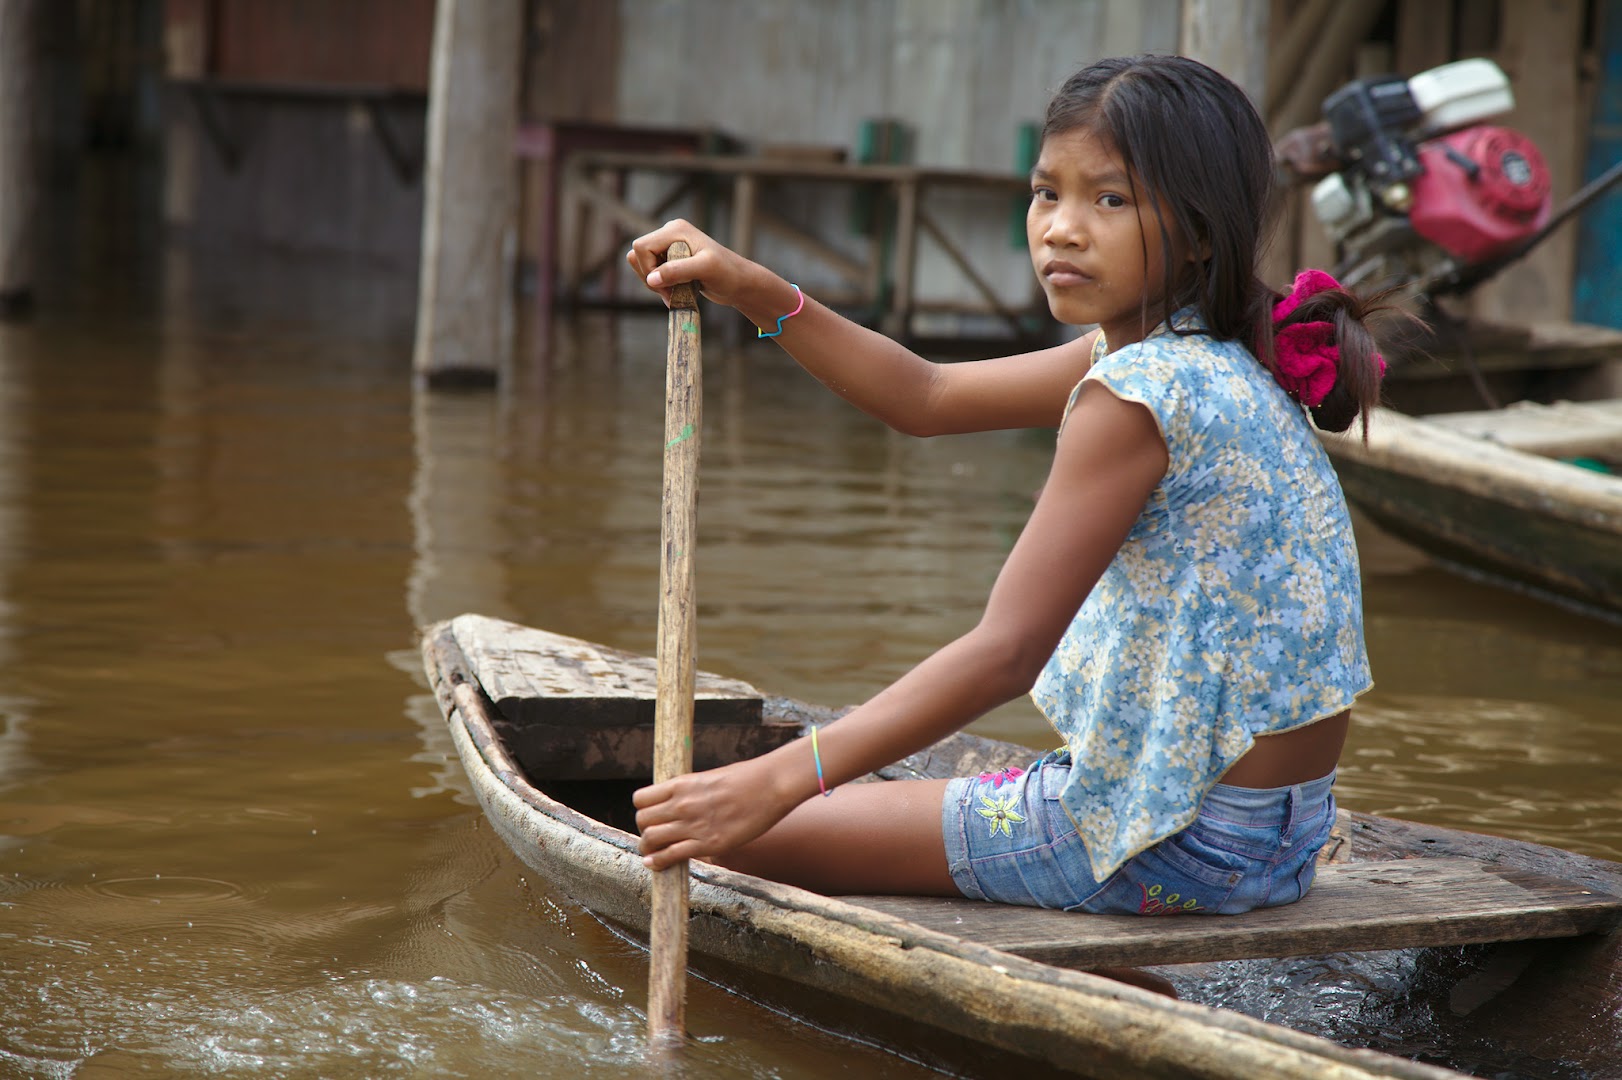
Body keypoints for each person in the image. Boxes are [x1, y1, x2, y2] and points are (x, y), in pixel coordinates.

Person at [625, 54, 1390, 916]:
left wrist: (772, 782)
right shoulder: (1207, 354)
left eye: (1110, 199)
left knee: (738, 836)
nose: (1061, 228)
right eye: (1045, 192)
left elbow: (1006, 654)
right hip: (1281, 838)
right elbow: (927, 396)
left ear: (1202, 232)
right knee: (787, 810)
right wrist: (755, 289)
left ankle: (1116, 977)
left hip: (1171, 845)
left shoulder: (1137, 396)